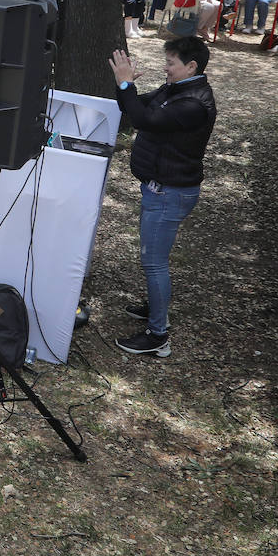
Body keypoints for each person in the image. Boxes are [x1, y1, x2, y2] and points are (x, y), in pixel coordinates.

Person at [108, 39, 215, 357]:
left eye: (170, 63)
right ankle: (154, 306)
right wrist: (124, 87)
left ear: (191, 66)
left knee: (154, 263)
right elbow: (134, 107)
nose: (165, 68)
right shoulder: (176, 89)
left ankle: (158, 337)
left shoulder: (194, 103)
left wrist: (125, 84)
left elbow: (144, 120)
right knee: (153, 260)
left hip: (170, 193)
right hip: (158, 188)